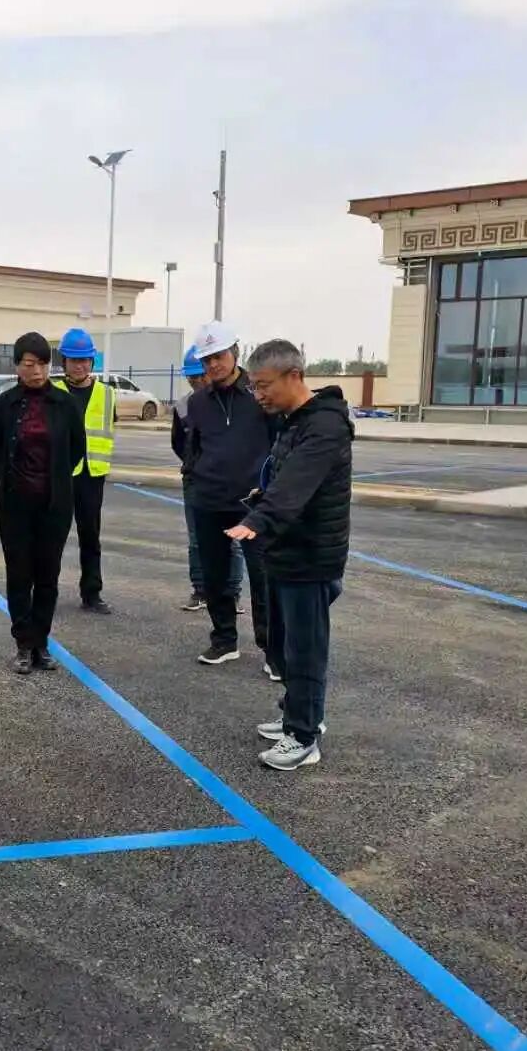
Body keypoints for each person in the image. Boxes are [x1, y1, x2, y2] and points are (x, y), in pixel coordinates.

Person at [229, 338, 353, 772]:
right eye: (253, 386)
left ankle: (303, 736)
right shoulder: (293, 421)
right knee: (283, 646)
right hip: (285, 551)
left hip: (310, 557)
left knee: (305, 650)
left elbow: (297, 483)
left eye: (264, 385)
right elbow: (282, 480)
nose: (258, 395)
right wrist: (260, 500)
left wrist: (259, 518)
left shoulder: (325, 426)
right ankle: (298, 715)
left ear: (294, 376)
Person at [0, 332, 86, 675]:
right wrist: (11, 479)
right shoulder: (3, 405)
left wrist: (52, 479)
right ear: (17, 366)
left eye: (43, 363)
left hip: (54, 506)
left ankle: (41, 642)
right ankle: (23, 644)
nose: (37, 371)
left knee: (47, 576)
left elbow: (76, 450)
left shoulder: (65, 404)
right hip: (14, 508)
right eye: (30, 364)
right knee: (19, 575)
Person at [184, 321, 277, 672]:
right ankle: (224, 640)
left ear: (235, 353)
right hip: (209, 501)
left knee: (263, 577)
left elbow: (279, 442)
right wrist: (195, 476)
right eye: (207, 359)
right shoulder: (197, 402)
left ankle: (273, 650)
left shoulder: (259, 395)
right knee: (215, 576)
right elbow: (190, 446)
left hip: (254, 503)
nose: (213, 365)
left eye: (219, 356)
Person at [172, 345, 244, 612]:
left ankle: (232, 593)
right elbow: (179, 443)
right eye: (192, 378)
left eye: (199, 377)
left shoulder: (234, 400)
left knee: (233, 540)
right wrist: (196, 465)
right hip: (196, 481)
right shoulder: (185, 406)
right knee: (197, 540)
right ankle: (201, 590)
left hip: (231, 482)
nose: (197, 382)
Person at [54, 327, 115, 615]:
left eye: (85, 360)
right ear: (64, 361)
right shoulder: (54, 393)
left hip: (92, 475)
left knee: (90, 537)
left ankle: (92, 593)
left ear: (92, 361)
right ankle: (46, 590)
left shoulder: (107, 393)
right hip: (61, 475)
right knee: (53, 536)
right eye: (74, 360)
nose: (80, 365)